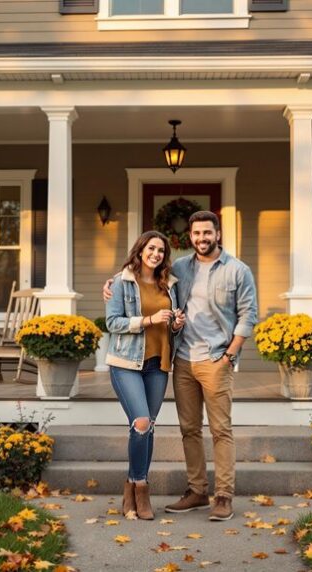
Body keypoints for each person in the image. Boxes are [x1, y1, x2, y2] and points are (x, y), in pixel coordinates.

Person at [104, 211, 258, 521]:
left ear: (218, 234)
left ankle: (224, 496)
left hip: (216, 359)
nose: (202, 238)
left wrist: (230, 355)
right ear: (190, 237)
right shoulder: (179, 270)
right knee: (189, 429)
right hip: (183, 360)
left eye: (207, 233)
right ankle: (197, 490)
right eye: (197, 234)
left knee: (220, 430)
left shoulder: (238, 271)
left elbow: (248, 315)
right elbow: (138, 280)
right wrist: (111, 283)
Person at [105, 230, 185, 520]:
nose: (156, 254)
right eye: (151, 248)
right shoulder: (121, 282)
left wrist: (176, 324)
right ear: (140, 251)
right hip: (126, 363)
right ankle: (141, 487)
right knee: (140, 423)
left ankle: (131, 490)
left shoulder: (169, 284)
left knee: (148, 426)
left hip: (158, 364)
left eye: (161, 251)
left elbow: (172, 328)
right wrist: (148, 320)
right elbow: (112, 322)